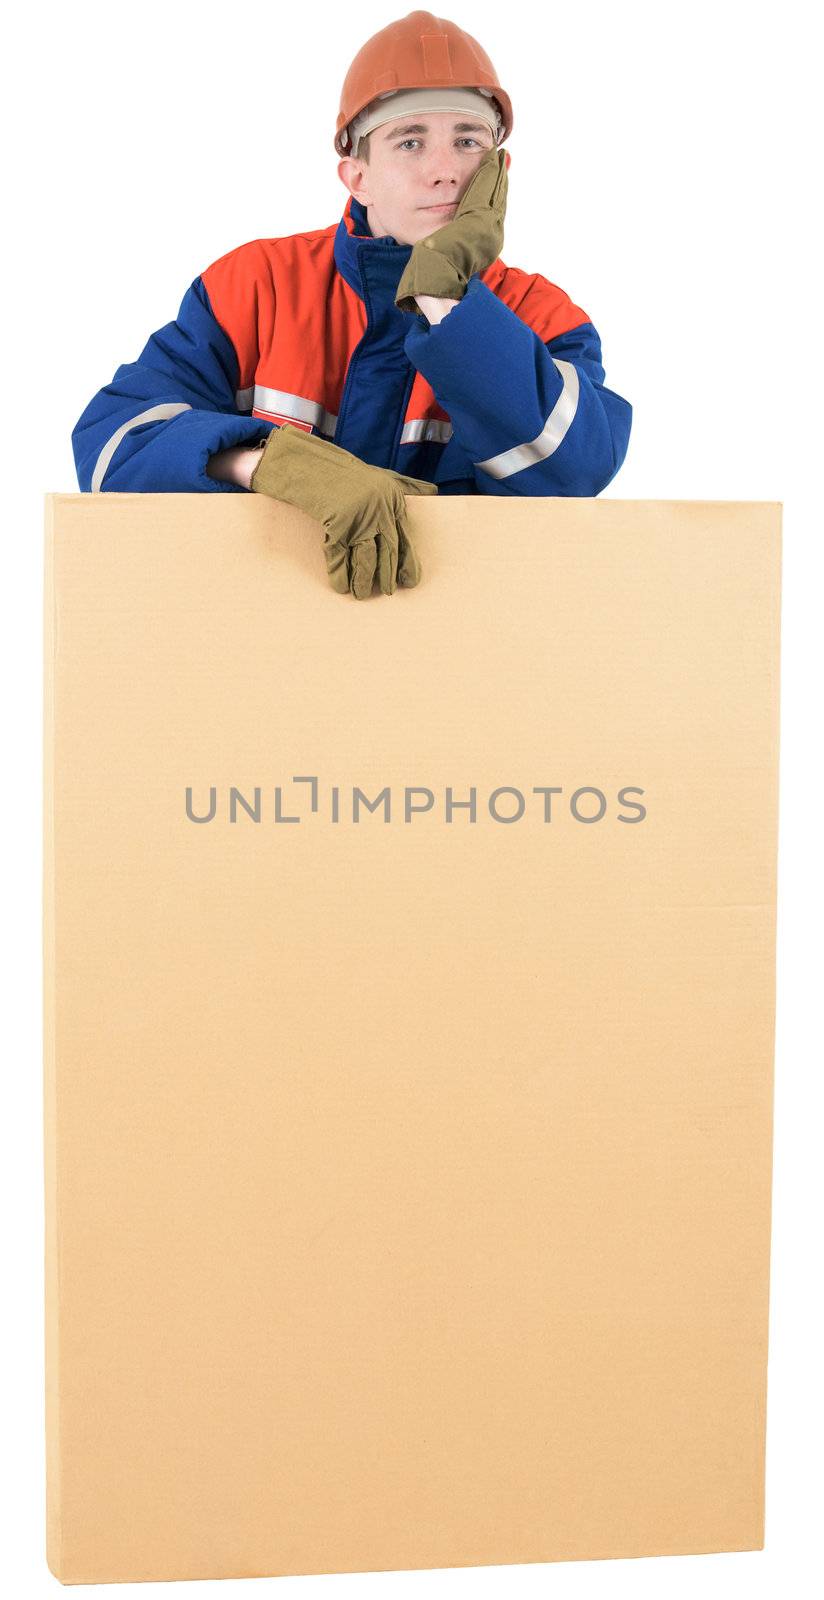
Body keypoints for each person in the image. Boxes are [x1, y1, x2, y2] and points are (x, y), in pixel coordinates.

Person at [72, 10, 632, 601]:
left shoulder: (540, 315)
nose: (445, 171)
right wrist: (270, 464)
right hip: (260, 644)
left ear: (499, 170)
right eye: (410, 141)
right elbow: (111, 446)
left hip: (462, 654)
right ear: (356, 176)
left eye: (467, 142)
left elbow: (574, 472)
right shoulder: (256, 285)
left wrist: (449, 300)